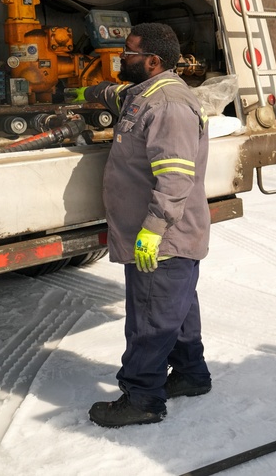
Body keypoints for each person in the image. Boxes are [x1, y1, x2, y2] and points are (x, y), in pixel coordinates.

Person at [79, 22, 213, 428]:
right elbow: (122, 95)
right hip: (172, 234)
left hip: (163, 235)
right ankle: (191, 374)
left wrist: (152, 231)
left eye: (128, 52)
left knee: (151, 318)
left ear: (152, 61)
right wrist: (89, 92)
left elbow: (174, 178)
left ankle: (143, 398)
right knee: (178, 306)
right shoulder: (148, 94)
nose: (122, 57)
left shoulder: (168, 106)